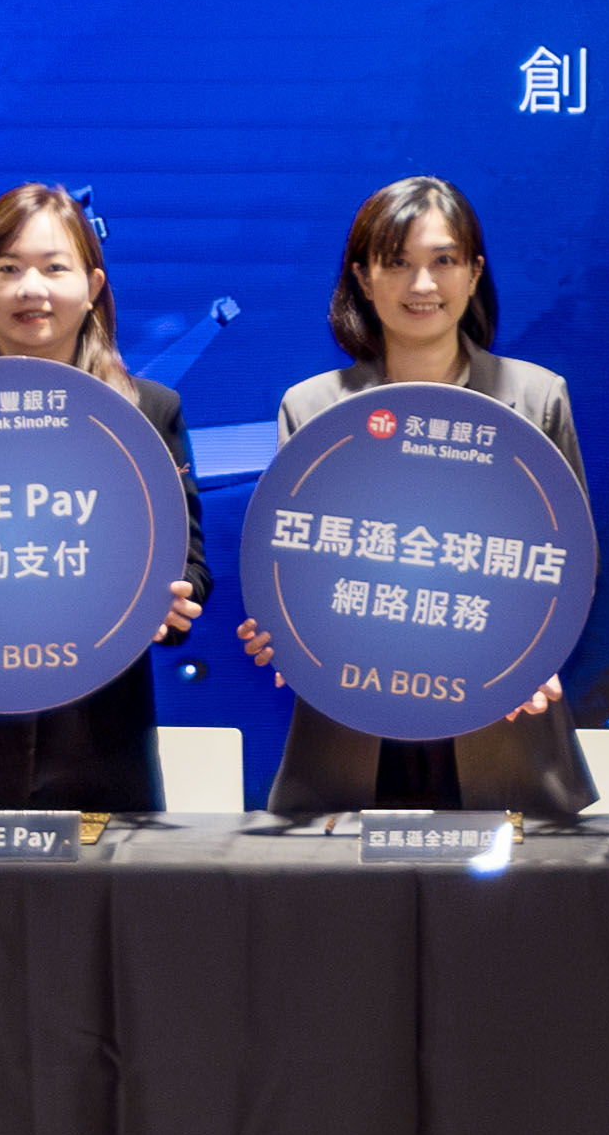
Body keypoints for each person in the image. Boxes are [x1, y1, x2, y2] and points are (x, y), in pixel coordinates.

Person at [253, 175, 590, 821]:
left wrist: (534, 656)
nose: (423, 284)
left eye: (444, 260)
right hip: (351, 732)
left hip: (503, 731)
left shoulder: (536, 397)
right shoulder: (313, 408)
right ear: (362, 276)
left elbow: (570, 564)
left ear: (474, 272)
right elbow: (295, 566)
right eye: (397, 263)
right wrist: (286, 628)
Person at [0, 184, 208, 813]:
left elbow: (189, 562)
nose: (31, 289)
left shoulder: (147, 413)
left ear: (92, 287)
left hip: (96, 746)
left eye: (54, 268)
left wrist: (172, 601)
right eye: (7, 269)